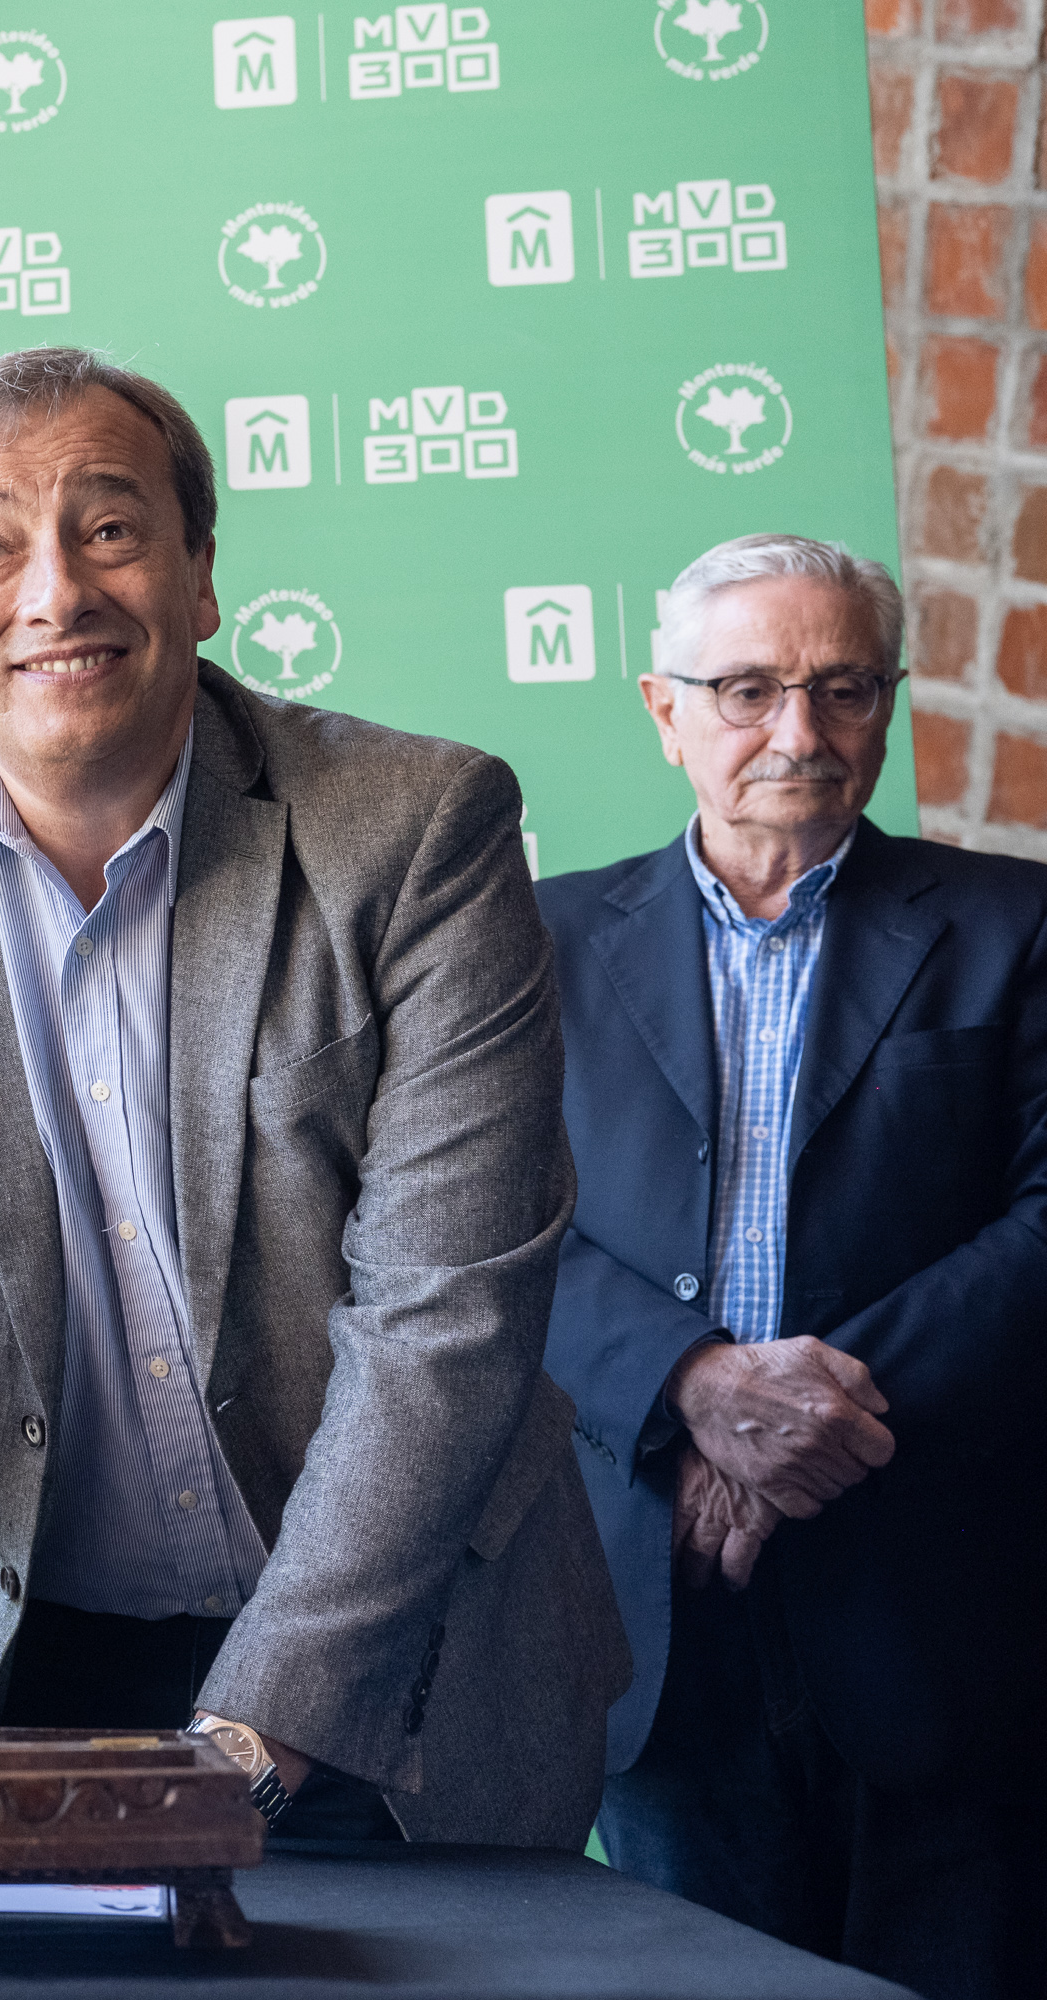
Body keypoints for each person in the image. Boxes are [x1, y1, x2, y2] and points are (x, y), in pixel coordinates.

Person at [0, 347, 625, 1845]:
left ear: (201, 575)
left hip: (409, 1672)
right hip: (38, 1669)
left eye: (109, 529)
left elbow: (445, 1320)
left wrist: (246, 1739)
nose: (57, 592)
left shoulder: (420, 830)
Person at [538, 534, 1045, 2000]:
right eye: (748, 689)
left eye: (843, 688)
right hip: (652, 1600)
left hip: (943, 1614)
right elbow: (474, 1229)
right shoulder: (533, 939)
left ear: (889, 705)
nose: (798, 731)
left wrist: (797, 1425)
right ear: (664, 709)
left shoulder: (1018, 926)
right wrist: (695, 1388)